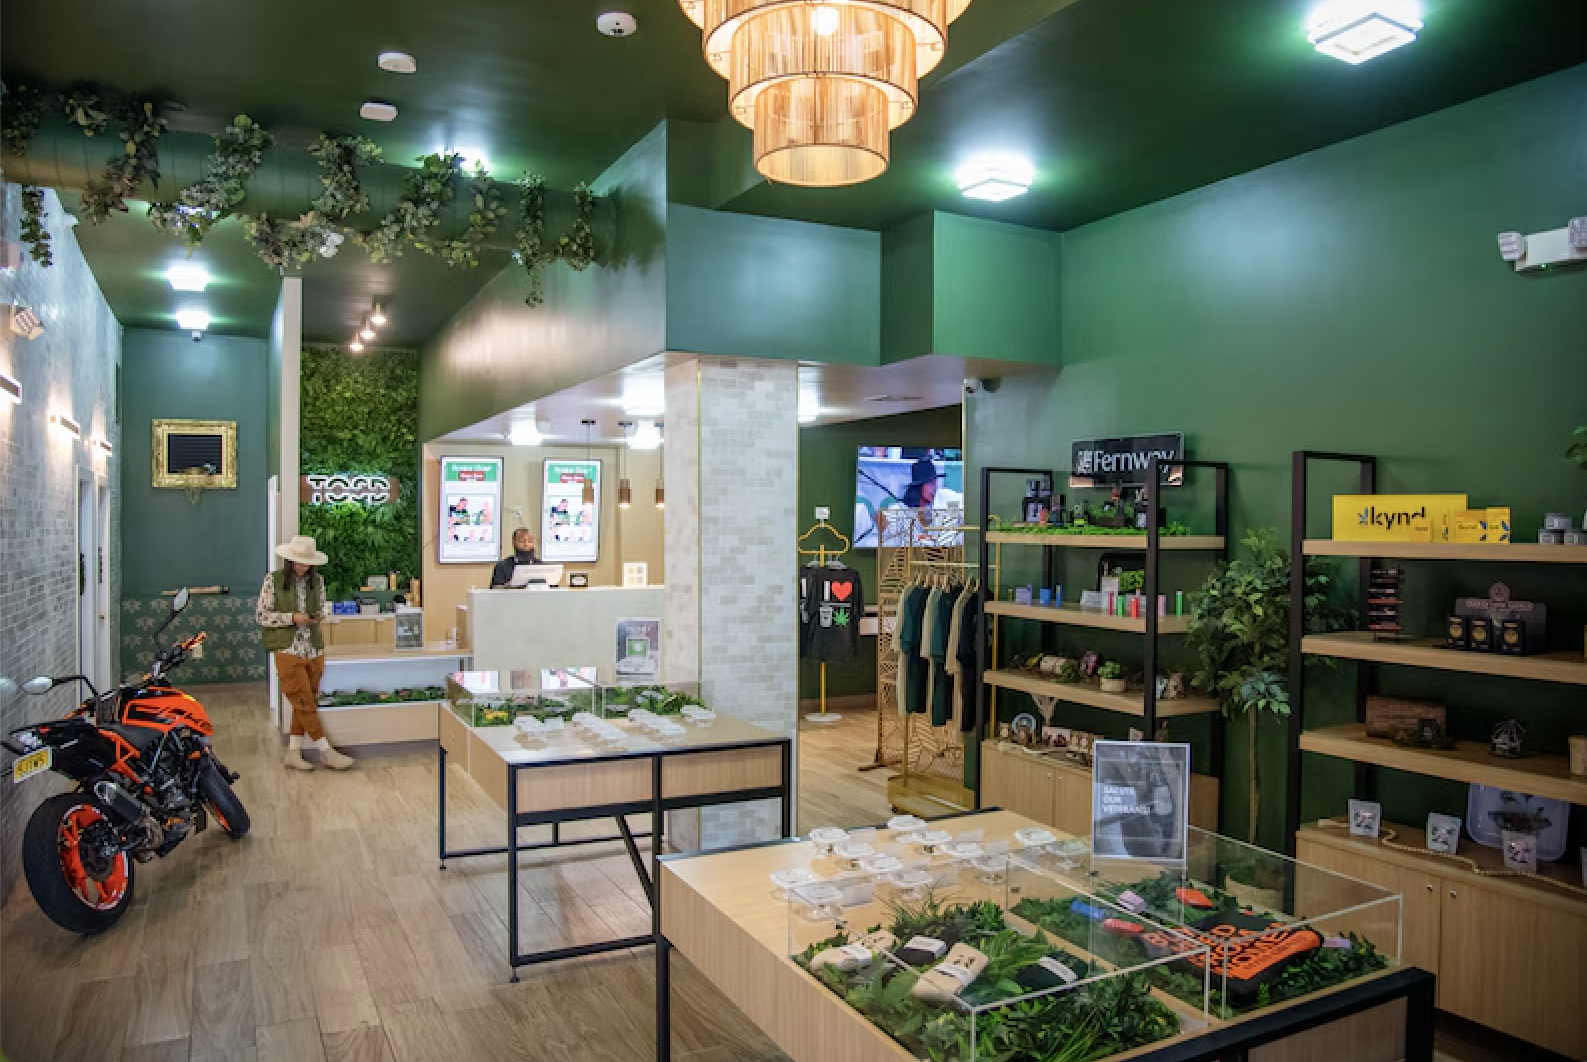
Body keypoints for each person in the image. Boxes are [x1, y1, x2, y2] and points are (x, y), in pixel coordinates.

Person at [256, 535, 354, 772]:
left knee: (306, 701)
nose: (302, 567)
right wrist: (291, 618)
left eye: (306, 563)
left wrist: (319, 616)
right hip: (287, 648)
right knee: (303, 700)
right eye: (298, 562)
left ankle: (293, 752)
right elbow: (262, 616)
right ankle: (325, 750)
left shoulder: (317, 582)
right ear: (289, 561)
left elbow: (322, 607)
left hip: (314, 648)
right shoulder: (273, 580)